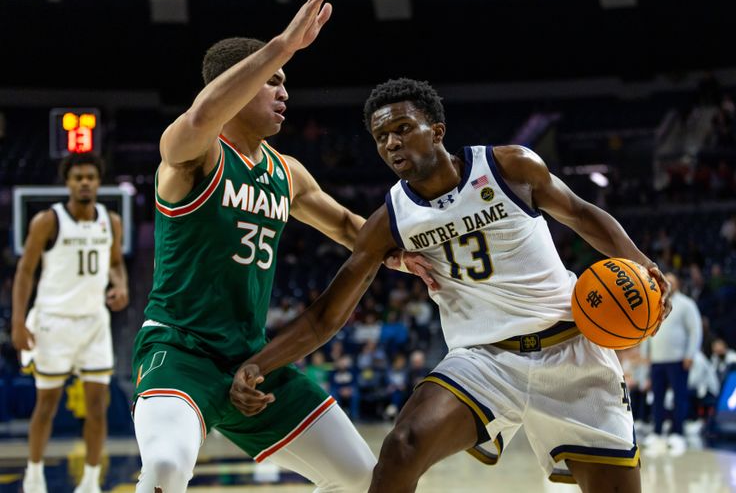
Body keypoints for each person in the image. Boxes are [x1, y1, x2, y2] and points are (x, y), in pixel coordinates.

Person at [229, 78, 672, 493]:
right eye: (381, 138)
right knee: (402, 446)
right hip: (485, 361)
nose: (392, 143)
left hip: (571, 349)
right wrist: (258, 364)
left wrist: (644, 266)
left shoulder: (509, 167)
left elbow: (581, 213)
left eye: (403, 129)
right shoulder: (391, 221)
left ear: (437, 131)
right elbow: (327, 315)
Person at [130, 0, 434, 493]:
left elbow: (348, 226)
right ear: (240, 83)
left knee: (364, 478)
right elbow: (201, 116)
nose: (284, 91)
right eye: (273, 80)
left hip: (252, 359)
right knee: (163, 469)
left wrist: (403, 258)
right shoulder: (194, 156)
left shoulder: (286, 172)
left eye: (285, 81)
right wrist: (283, 45)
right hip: (180, 352)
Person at [12, 153, 129, 493]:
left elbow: (116, 263)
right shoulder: (48, 221)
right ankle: (34, 475)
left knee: (97, 407)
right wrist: (18, 321)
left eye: (90, 177)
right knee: (47, 404)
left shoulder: (111, 221)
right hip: (53, 321)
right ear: (68, 183)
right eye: (78, 178)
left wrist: (121, 285)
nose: (85, 183)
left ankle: (91, 481)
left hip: (94, 321)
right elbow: (25, 271)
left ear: (99, 182)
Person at [641, 273, 702, 457]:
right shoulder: (654, 303)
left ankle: (677, 433)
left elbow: (695, 330)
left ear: (678, 284)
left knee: (679, 397)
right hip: (657, 360)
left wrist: (690, 354)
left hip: (678, 359)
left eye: (672, 281)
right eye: (665, 281)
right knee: (657, 398)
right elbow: (648, 330)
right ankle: (657, 432)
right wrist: (646, 354)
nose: (667, 284)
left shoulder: (686, 304)